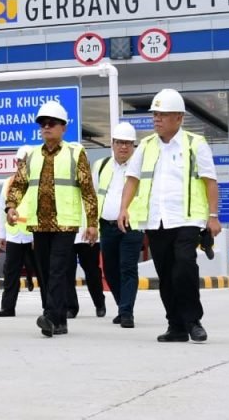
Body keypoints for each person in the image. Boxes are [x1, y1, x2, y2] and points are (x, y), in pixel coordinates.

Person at [117, 89, 221, 343]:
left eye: (162, 114)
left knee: (184, 267)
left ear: (178, 117)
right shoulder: (146, 146)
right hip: (156, 220)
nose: (157, 119)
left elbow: (210, 181)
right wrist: (123, 208)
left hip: (187, 219)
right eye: (155, 114)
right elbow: (132, 179)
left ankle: (193, 321)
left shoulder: (195, 144)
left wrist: (213, 216)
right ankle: (176, 326)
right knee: (165, 274)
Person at [6, 100, 98, 338]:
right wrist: (11, 206)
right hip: (39, 223)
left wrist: (92, 223)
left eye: (51, 123)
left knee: (57, 269)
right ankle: (59, 321)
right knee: (45, 271)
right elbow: (19, 184)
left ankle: (49, 315)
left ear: (63, 127)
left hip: (65, 223)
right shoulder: (31, 155)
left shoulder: (76, 153)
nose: (46, 127)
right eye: (43, 124)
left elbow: (88, 190)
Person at [94, 122, 142, 328]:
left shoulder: (140, 167)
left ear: (134, 146)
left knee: (128, 268)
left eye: (128, 143)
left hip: (132, 225)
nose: (124, 147)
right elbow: (94, 196)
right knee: (110, 269)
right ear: (112, 143)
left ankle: (126, 312)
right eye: (120, 142)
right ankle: (122, 305)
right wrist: (92, 225)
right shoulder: (101, 166)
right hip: (107, 225)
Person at [0, 146, 46, 317]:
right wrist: (1, 235)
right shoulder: (8, 183)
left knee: (42, 272)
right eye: (19, 161)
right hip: (14, 235)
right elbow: (2, 209)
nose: (20, 164)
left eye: (24, 161)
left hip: (34, 235)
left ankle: (49, 308)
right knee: (10, 272)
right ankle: (7, 307)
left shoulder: (39, 182)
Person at [66, 217, 107, 320]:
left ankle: (99, 302)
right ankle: (71, 307)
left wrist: (93, 225)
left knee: (92, 271)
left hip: (88, 233)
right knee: (67, 272)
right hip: (65, 232)